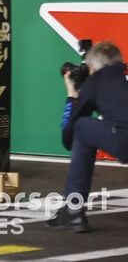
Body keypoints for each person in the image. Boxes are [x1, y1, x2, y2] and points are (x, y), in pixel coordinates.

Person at [48, 41, 128, 233]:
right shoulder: (121, 77)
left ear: (92, 67)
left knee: (82, 127)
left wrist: (72, 95)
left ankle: (73, 211)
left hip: (125, 139)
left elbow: (69, 135)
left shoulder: (96, 82)